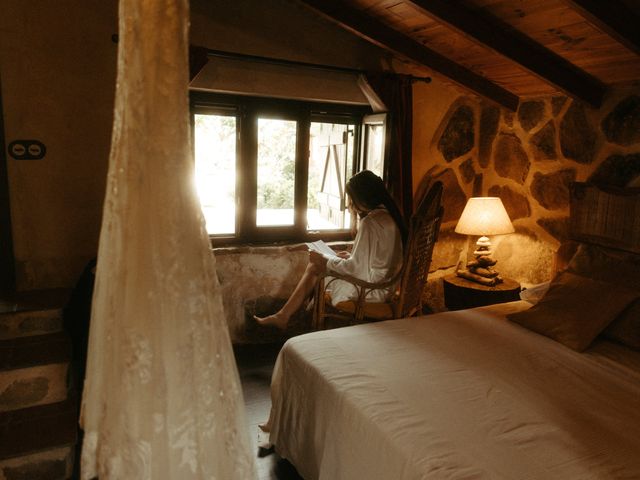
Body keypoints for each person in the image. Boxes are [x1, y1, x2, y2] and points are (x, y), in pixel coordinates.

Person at [254, 170, 407, 330]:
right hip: (384, 287)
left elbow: (357, 269)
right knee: (321, 263)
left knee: (316, 266)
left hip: (371, 291)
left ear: (362, 197)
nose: (350, 203)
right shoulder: (389, 217)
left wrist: (327, 259)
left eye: (351, 198)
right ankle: (285, 316)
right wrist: (346, 257)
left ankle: (286, 317)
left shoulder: (370, 222)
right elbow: (375, 261)